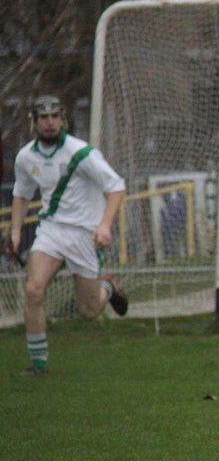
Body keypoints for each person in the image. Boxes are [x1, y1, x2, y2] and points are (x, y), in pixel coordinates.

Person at [7, 95, 129, 376]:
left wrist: (105, 226)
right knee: (33, 290)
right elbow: (22, 194)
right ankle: (38, 365)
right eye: (43, 117)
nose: (49, 123)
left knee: (88, 311)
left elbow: (116, 186)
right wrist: (15, 233)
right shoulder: (26, 157)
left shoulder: (81, 153)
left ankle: (108, 287)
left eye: (54, 117)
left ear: (63, 120)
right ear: (34, 122)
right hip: (51, 230)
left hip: (85, 234)